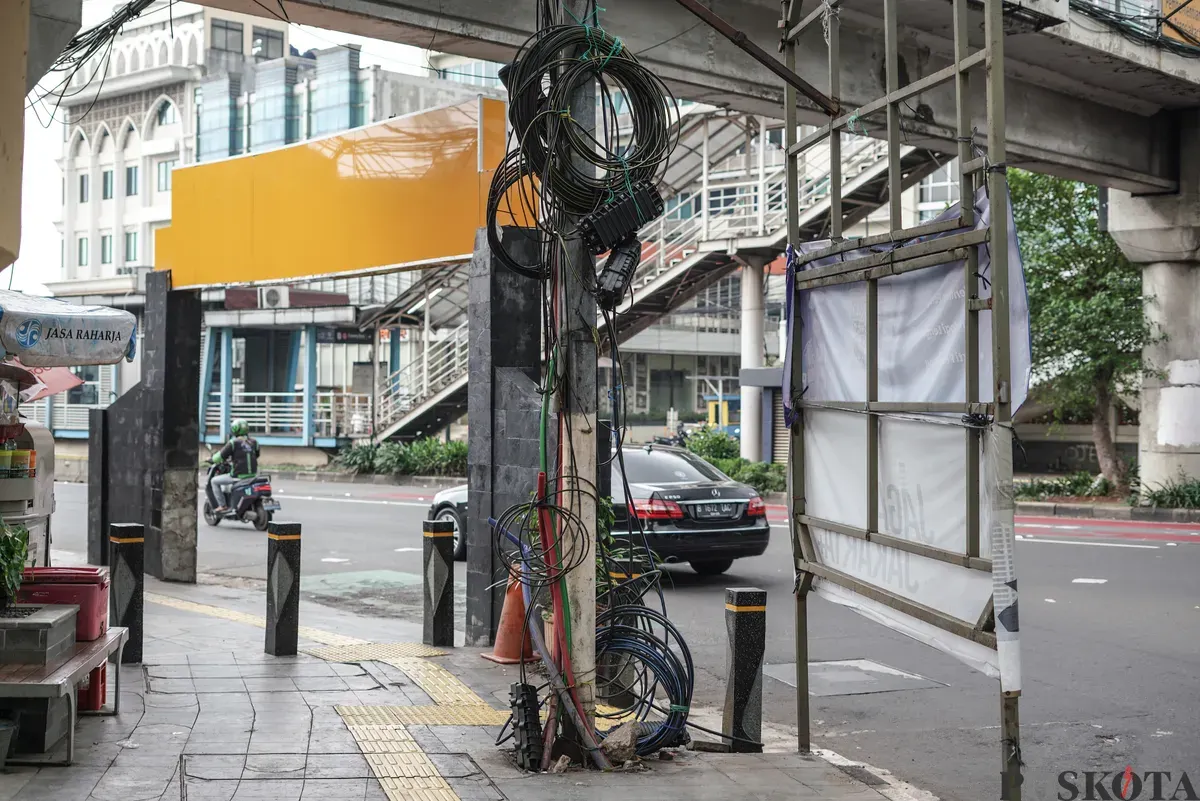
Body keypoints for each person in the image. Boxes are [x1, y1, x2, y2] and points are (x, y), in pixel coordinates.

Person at [211, 419, 260, 513]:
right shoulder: (255, 442)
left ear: (235, 429)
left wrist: (211, 459)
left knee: (214, 481)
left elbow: (219, 457)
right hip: (253, 476)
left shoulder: (233, 443)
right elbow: (256, 455)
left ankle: (222, 506)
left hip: (238, 476)